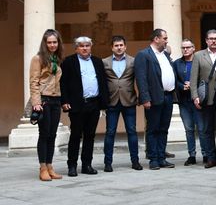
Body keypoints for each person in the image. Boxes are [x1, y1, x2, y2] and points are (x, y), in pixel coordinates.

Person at [61, 36, 109, 176]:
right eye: (81, 46)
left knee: (90, 136)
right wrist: (64, 101)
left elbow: (103, 82)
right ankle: (72, 166)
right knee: (75, 135)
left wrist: (103, 104)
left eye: (87, 45)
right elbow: (63, 83)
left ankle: (87, 165)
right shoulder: (69, 62)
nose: (84, 48)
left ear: (91, 47)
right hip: (77, 105)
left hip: (94, 104)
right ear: (76, 48)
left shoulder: (97, 61)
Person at [134, 29, 176, 170]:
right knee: (153, 129)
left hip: (168, 96)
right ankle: (153, 159)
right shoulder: (143, 55)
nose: (166, 40)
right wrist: (145, 98)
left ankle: (161, 157)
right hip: (153, 98)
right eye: (165, 38)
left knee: (164, 129)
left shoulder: (165, 55)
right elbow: (141, 79)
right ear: (156, 39)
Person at [190, 29, 216, 168]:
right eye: (210, 38)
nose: (213, 41)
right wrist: (195, 96)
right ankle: (211, 158)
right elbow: (193, 78)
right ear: (206, 40)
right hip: (206, 98)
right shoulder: (198, 56)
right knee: (207, 130)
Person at [102, 35, 142, 172]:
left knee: (132, 131)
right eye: (116, 45)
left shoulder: (133, 61)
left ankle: (135, 161)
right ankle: (108, 163)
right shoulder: (105, 62)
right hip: (112, 101)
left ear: (125, 46)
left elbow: (139, 79)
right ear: (112, 47)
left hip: (129, 100)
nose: (119, 48)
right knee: (110, 132)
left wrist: (142, 96)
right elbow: (101, 82)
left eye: (121, 45)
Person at [30, 29, 64, 181]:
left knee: (53, 135)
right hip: (43, 100)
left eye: (54, 42)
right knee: (44, 134)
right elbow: (33, 82)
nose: (52, 45)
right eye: (49, 42)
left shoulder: (57, 59)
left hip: (56, 100)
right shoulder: (38, 59)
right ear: (45, 43)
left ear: (58, 43)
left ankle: (50, 166)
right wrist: (36, 103)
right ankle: (42, 167)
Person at [173, 39, 207, 166]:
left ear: (193, 48)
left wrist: (194, 86)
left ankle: (205, 154)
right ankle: (191, 155)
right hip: (184, 101)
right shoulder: (177, 63)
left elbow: (204, 80)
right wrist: (182, 86)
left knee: (202, 129)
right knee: (189, 129)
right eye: (183, 48)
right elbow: (174, 80)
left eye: (188, 47)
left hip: (198, 100)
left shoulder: (200, 62)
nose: (185, 50)